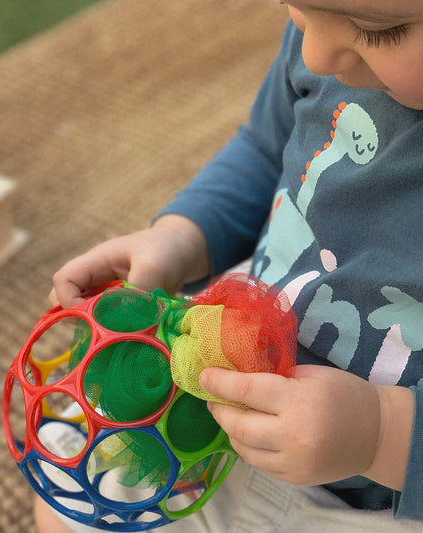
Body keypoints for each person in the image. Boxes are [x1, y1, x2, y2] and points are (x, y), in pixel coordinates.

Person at [35, 0, 423, 531]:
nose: (315, 53)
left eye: (383, 30)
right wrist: (181, 236)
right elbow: (267, 150)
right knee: (65, 515)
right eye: (299, 8)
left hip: (379, 501)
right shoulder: (328, 44)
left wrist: (382, 434)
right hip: (211, 421)